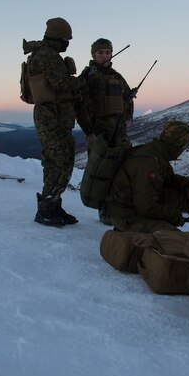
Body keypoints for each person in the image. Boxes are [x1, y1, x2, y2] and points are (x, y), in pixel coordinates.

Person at [22, 17, 85, 227]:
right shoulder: (48, 56)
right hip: (52, 117)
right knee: (61, 162)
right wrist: (84, 79)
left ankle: (53, 205)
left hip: (53, 116)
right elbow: (61, 83)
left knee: (54, 163)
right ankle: (47, 209)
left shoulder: (43, 53)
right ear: (58, 37)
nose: (68, 43)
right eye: (66, 38)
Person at [77, 38, 135, 225]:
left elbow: (127, 97)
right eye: (100, 52)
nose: (104, 55)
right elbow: (80, 106)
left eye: (107, 52)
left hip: (119, 130)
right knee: (101, 170)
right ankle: (103, 210)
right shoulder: (87, 77)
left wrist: (129, 117)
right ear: (94, 54)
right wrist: (89, 132)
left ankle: (121, 207)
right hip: (98, 131)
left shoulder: (117, 77)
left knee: (124, 167)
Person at [107, 121, 189, 233]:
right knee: (175, 241)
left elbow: (167, 179)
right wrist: (173, 216)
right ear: (179, 144)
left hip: (138, 203)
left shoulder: (158, 152)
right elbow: (146, 208)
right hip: (126, 215)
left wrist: (186, 184)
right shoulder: (149, 163)